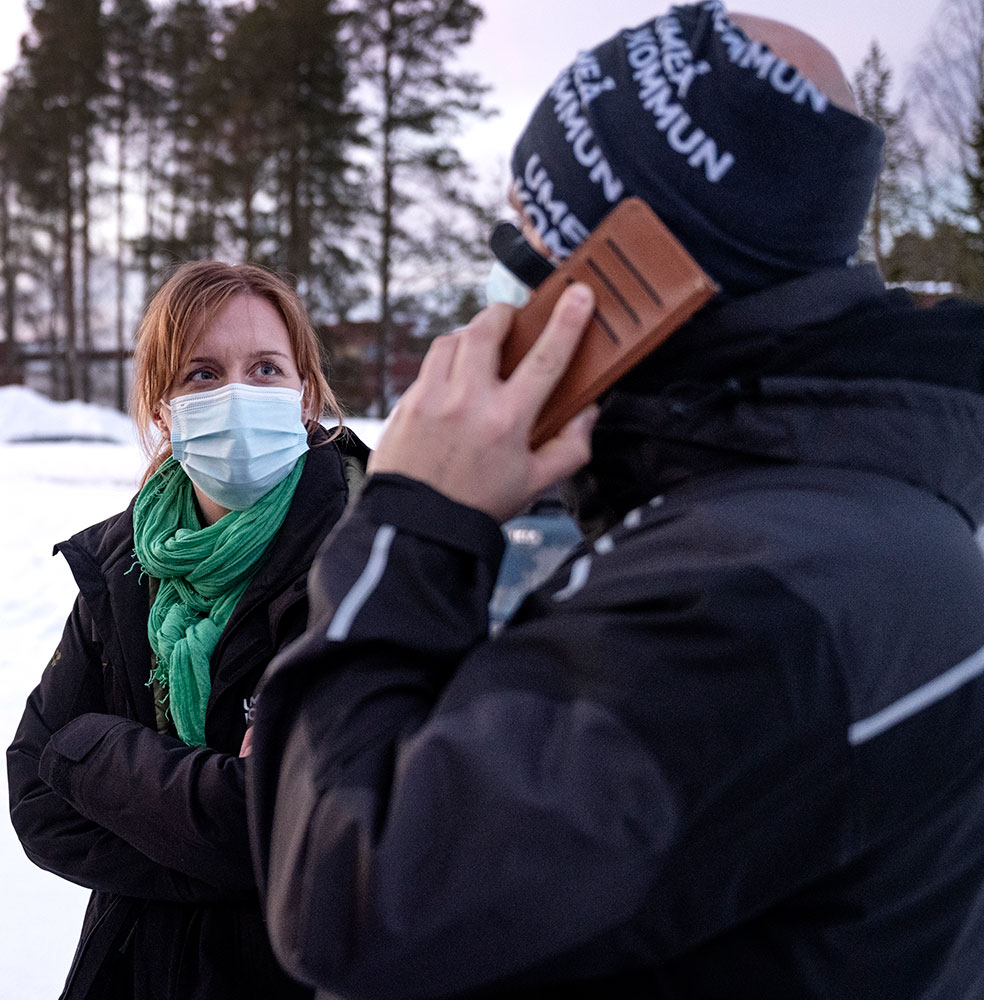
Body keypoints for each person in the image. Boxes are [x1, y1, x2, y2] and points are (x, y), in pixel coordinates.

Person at [247, 4, 984, 998]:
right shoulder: (836, 517)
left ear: (627, 285)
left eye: (529, 265)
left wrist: (410, 513)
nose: (502, 317)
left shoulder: (756, 589)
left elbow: (349, 897)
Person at [7, 261, 370, 1000]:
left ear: (304, 392)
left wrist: (95, 749)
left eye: (265, 367)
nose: (238, 394)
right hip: (135, 972)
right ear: (163, 408)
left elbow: (307, 829)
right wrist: (228, 845)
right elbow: (35, 796)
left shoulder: (364, 554)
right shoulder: (123, 563)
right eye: (203, 374)